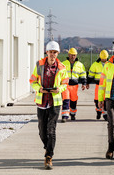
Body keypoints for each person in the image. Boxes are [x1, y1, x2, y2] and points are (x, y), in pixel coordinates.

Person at [29, 41, 69, 169]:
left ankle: (49, 157)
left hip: (55, 102)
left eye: (55, 52)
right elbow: (32, 80)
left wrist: (60, 90)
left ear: (58, 53)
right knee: (42, 131)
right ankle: (48, 147)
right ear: (47, 52)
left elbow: (65, 83)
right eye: (51, 52)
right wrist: (38, 89)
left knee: (51, 130)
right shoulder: (39, 65)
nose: (53, 54)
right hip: (42, 101)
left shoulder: (62, 68)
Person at [61, 48, 87, 122]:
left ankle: (72, 114)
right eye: (71, 55)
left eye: (74, 55)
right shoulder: (63, 64)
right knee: (66, 99)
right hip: (65, 85)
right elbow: (59, 74)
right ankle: (64, 116)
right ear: (68, 55)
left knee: (73, 100)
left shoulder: (80, 65)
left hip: (75, 86)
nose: (73, 57)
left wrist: (84, 83)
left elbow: (83, 74)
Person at [87, 50, 109, 120]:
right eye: (103, 58)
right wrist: (87, 83)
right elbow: (90, 75)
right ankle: (98, 112)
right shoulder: (95, 64)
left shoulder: (110, 64)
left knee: (106, 100)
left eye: (105, 58)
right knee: (97, 100)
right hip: (98, 85)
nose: (104, 60)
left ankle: (105, 115)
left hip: (107, 86)